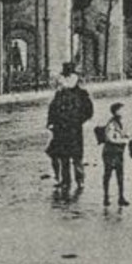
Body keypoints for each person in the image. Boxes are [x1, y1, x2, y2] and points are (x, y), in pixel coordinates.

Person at [45, 61, 94, 195]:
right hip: (60, 129)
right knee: (63, 156)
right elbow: (52, 108)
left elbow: (88, 110)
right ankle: (66, 181)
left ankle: (80, 180)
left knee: (77, 157)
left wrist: (79, 120)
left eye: (68, 77)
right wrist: (50, 122)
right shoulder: (59, 94)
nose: (65, 81)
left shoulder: (81, 94)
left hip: (74, 129)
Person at [99, 102, 131, 207]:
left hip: (118, 152)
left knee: (120, 175)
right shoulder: (111, 124)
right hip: (110, 152)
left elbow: (124, 134)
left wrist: (127, 136)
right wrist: (124, 141)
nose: (124, 111)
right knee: (108, 174)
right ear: (116, 111)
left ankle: (121, 197)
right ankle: (105, 197)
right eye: (122, 109)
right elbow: (110, 138)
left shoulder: (121, 122)